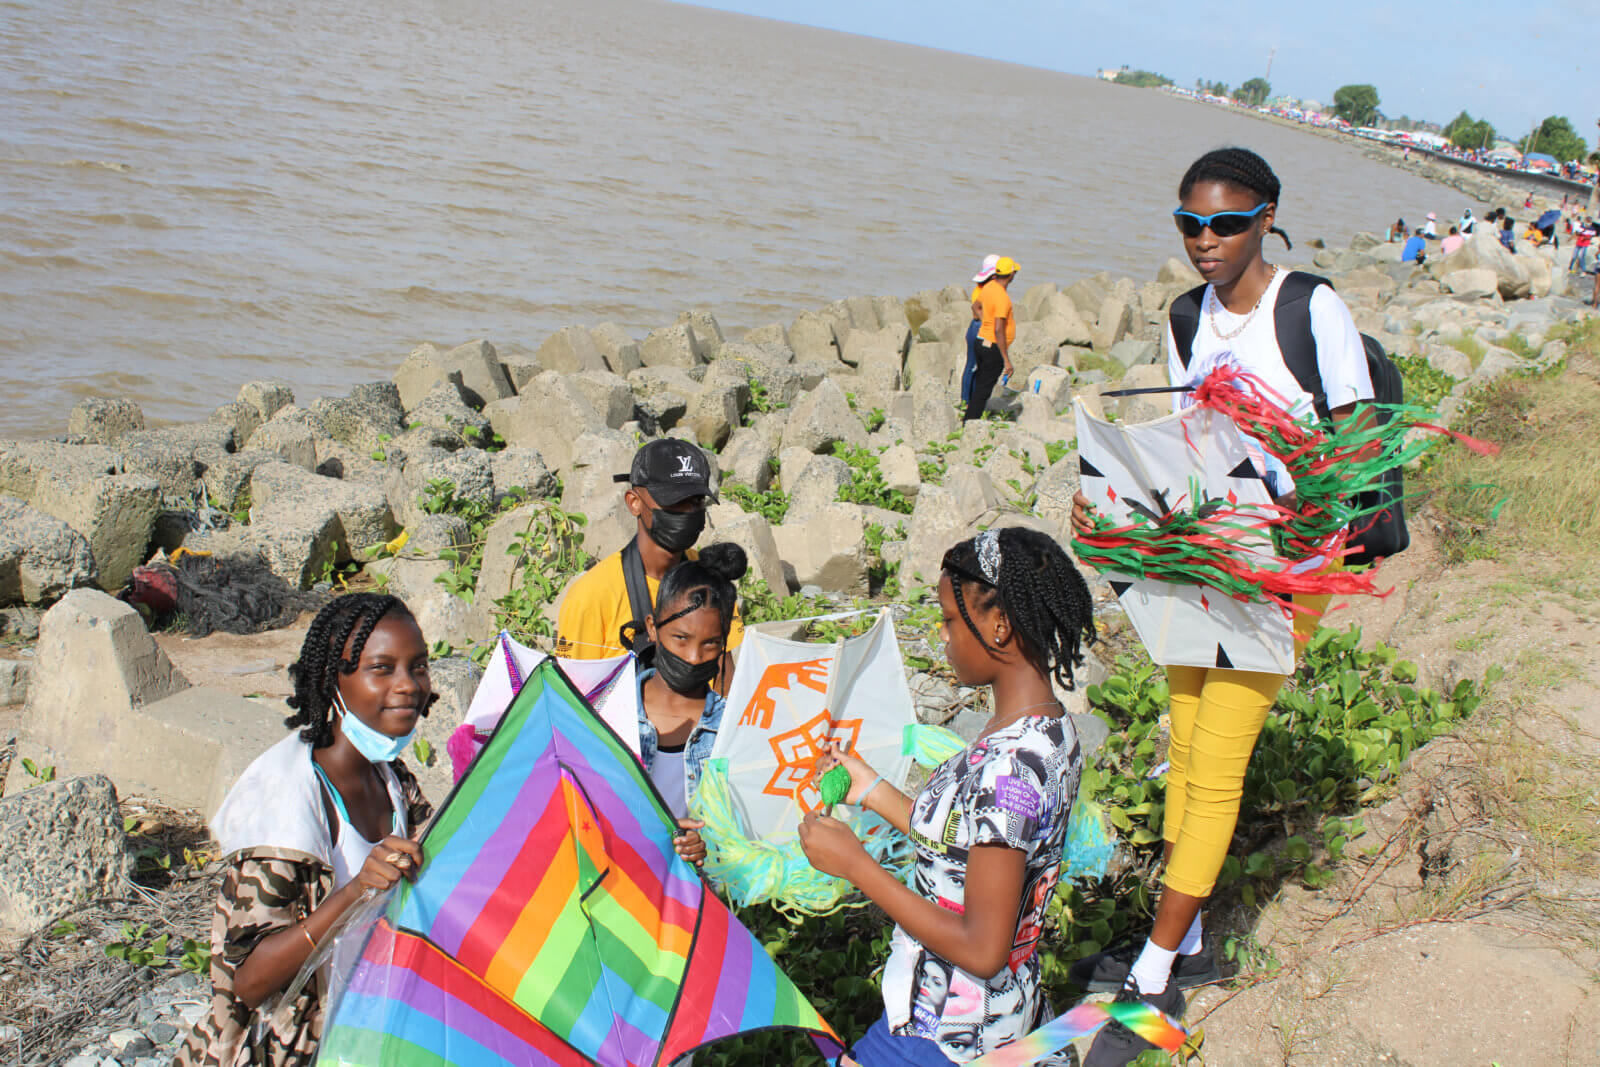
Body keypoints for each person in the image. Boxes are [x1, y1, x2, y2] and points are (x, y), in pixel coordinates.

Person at [1071, 147, 1372, 1067]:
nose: (1205, 242)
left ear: (1267, 217)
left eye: (1226, 224)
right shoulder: (1185, 316)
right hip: (1204, 560)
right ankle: (1188, 935)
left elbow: (1356, 450)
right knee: (1188, 740)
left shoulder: (1309, 307)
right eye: (1189, 224)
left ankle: (1157, 967)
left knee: (1222, 754)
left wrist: (1285, 534)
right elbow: (1178, 443)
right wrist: (1108, 501)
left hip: (1283, 571)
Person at [798, 527, 1096, 1065]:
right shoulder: (1043, 729)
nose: (942, 636)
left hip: (953, 1035)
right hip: (991, 1013)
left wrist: (857, 866)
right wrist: (873, 790)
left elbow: (983, 949)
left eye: (951, 621)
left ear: (999, 626)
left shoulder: (1012, 767)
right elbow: (969, 850)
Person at [174, 594, 435, 1066]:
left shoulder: (392, 781)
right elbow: (249, 982)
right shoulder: (287, 801)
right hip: (286, 1047)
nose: (408, 686)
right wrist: (356, 891)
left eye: (418, 667)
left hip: (367, 1025)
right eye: (382, 669)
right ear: (329, 680)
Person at [555, 438, 742, 662]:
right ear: (634, 502)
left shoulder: (710, 580)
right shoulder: (591, 597)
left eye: (697, 501)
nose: (688, 512)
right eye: (674, 501)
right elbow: (572, 691)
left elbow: (726, 675)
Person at [635, 543, 748, 864]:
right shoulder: (611, 714)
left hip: (694, 900)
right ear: (652, 628)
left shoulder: (731, 729)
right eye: (681, 638)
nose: (694, 657)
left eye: (711, 643)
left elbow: (742, 826)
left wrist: (706, 846)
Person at [966, 257, 1018, 422]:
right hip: (992, 348)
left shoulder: (989, 287)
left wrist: (984, 320)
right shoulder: (1003, 298)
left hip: (980, 341)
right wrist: (1006, 359)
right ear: (1010, 275)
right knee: (983, 389)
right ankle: (970, 424)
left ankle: (969, 418)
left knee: (980, 384)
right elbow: (998, 329)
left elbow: (975, 306)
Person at [961, 255, 1000, 408]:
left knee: (977, 366)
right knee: (974, 366)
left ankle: (970, 401)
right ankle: (966, 401)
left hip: (978, 328)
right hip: (979, 329)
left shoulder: (984, 289)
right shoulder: (983, 291)